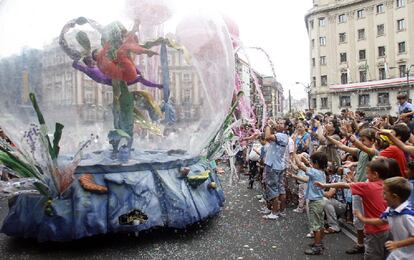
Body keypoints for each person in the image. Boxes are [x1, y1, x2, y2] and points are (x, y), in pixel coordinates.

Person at [315, 160, 390, 260]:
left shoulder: (367, 186)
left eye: (367, 173)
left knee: (372, 256)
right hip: (387, 229)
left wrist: (324, 186)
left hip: (374, 230)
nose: (366, 176)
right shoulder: (387, 186)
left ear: (375, 174)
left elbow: (344, 185)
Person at [325, 128, 378, 254]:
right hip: (358, 188)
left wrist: (353, 139)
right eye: (361, 139)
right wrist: (329, 137)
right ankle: (360, 244)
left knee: (369, 218)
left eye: (364, 140)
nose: (361, 142)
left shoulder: (373, 152)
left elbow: (367, 149)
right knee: (357, 219)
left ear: (372, 141)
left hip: (368, 190)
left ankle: (372, 247)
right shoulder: (360, 151)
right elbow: (342, 146)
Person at [354, 177, 414, 260]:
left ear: (395, 197)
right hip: (398, 254)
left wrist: (397, 244)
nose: (383, 196)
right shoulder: (391, 209)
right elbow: (381, 221)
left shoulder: (408, 216)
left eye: (385, 193)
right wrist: (363, 219)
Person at [292, 151, 328, 255]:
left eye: (312, 162)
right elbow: (309, 166)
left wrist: (293, 153)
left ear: (316, 163)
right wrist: (306, 161)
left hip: (315, 202)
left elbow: (300, 166)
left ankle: (317, 247)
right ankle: (320, 243)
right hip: (320, 201)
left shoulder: (314, 172)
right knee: (321, 224)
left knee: (315, 226)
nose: (310, 163)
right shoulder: (321, 172)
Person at [262, 119, 289, 220]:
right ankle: (282, 210)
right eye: (278, 122)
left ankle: (275, 212)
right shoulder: (283, 136)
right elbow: (269, 139)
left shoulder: (281, 135)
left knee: (273, 189)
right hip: (279, 166)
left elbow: (267, 137)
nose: (278, 124)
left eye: (282, 123)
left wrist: (268, 126)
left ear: (286, 127)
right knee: (281, 188)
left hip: (273, 166)